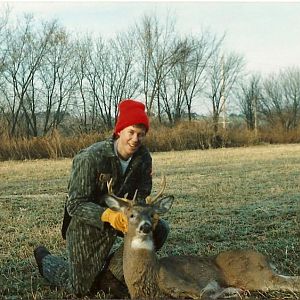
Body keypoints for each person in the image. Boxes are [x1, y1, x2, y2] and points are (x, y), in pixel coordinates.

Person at [33, 99, 169, 297]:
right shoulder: (90, 158)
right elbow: (75, 204)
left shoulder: (143, 157)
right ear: (120, 130)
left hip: (124, 218)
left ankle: (111, 274)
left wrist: (142, 213)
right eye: (131, 132)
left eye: (141, 134)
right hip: (86, 223)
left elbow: (142, 194)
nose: (135, 139)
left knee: (159, 230)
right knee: (80, 289)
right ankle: (45, 260)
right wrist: (109, 216)